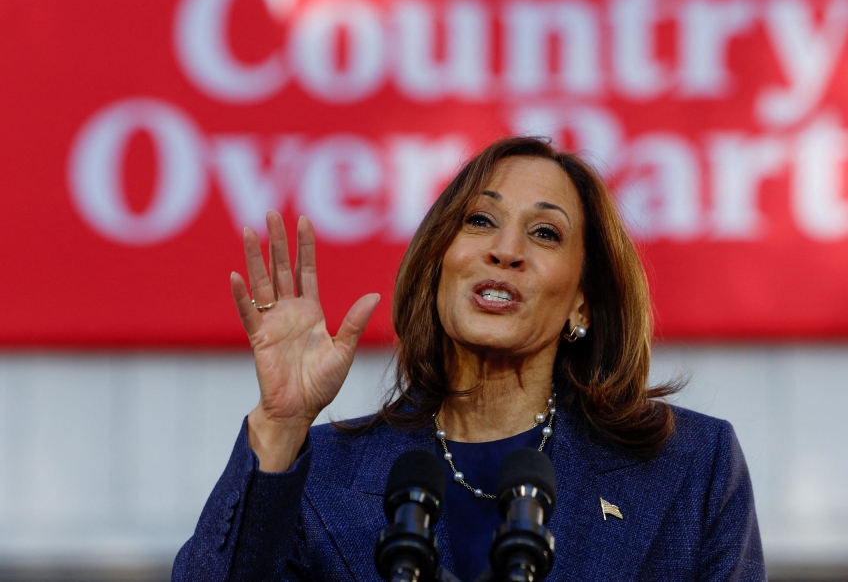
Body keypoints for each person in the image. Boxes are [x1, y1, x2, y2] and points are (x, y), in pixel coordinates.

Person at [172, 137, 765, 582]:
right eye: (480, 221)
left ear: (582, 301)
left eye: (545, 234)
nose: (505, 250)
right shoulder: (323, 476)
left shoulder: (691, 468)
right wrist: (279, 426)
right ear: (440, 263)